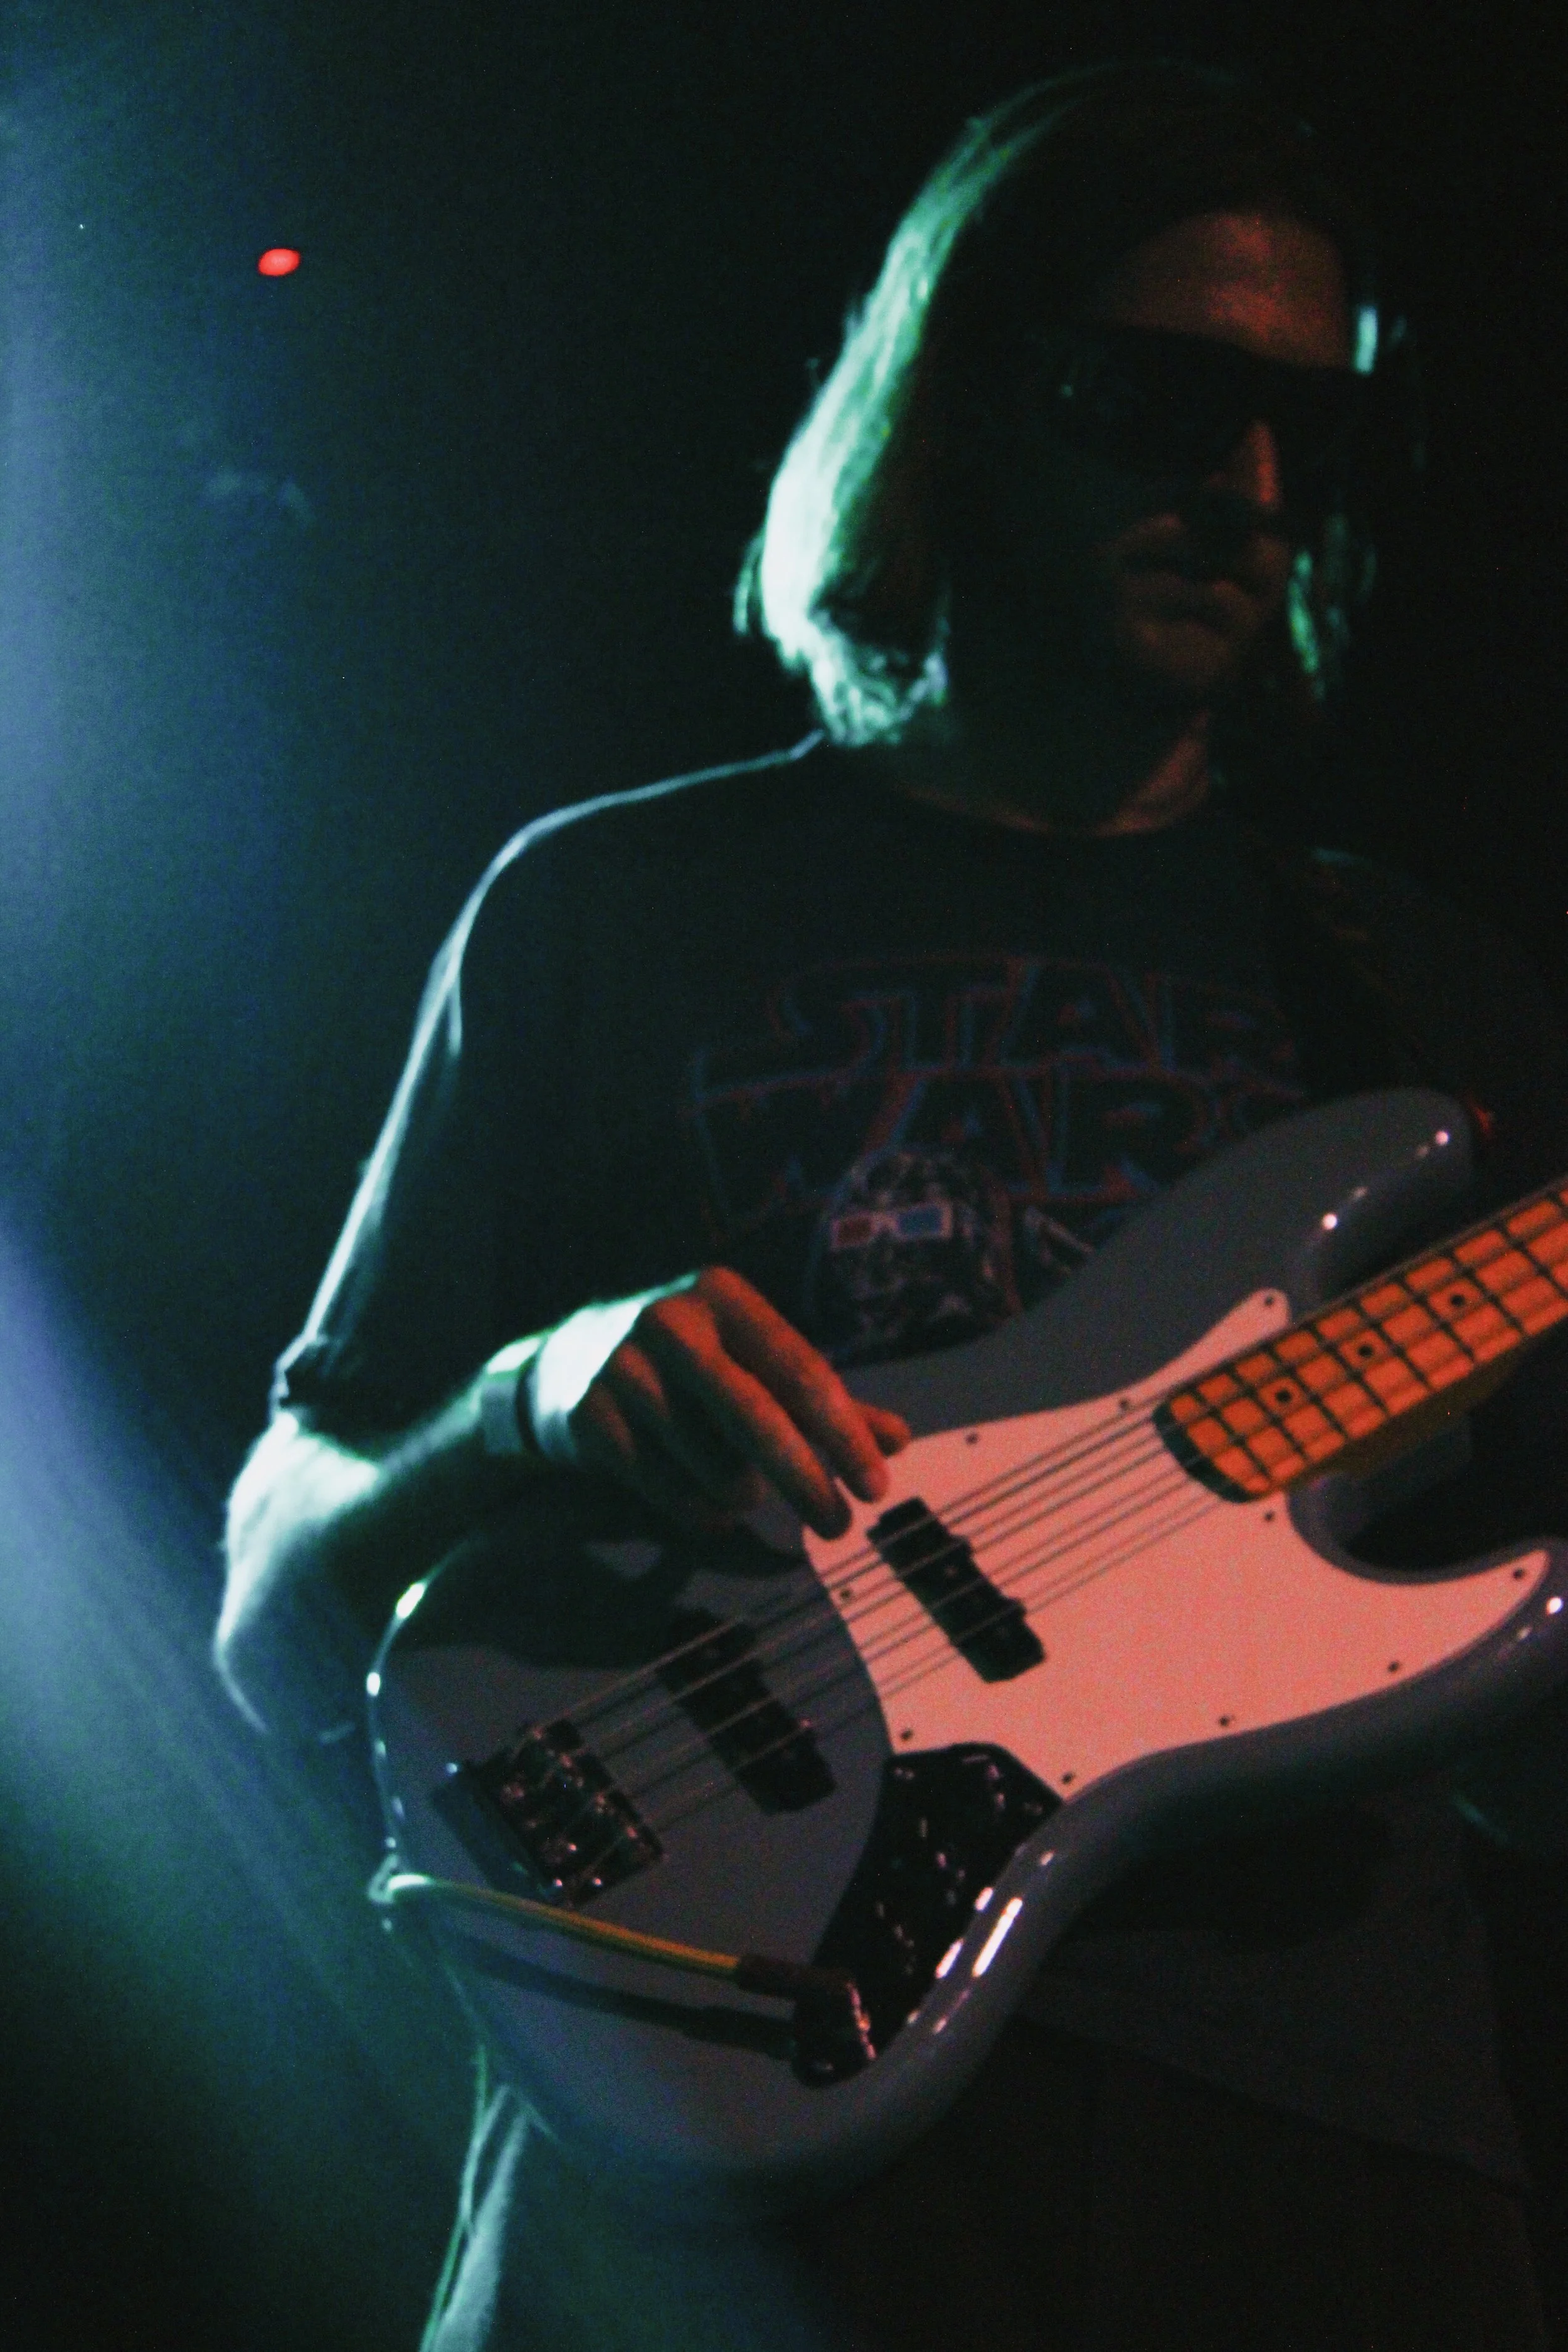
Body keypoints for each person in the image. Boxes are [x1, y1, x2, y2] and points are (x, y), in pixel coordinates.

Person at [217, 61, 1568, 2352]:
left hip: (1310, 2160)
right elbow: (269, 1610)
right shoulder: (612, 909)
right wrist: (529, 1395)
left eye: (1307, 435)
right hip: (711, 2137)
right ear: (961, 405)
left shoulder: (1417, 1001)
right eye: (1153, 399)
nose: (1244, 491)